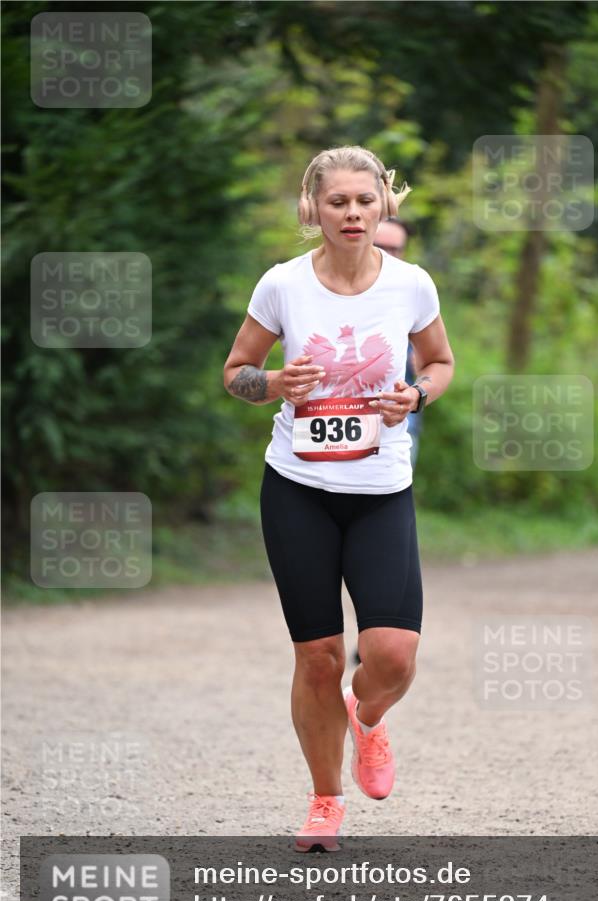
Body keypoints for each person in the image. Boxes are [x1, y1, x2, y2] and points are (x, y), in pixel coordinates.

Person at [223, 145, 454, 852]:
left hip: (381, 488)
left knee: (391, 655)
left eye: (363, 200)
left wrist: (415, 393)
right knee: (318, 654)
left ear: (384, 203)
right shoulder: (282, 286)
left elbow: (440, 363)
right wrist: (270, 387)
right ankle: (325, 801)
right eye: (336, 202)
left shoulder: (411, 284)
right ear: (312, 208)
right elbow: (236, 370)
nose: (351, 213)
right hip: (297, 487)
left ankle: (369, 717)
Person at [373, 218, 424, 467]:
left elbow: (437, 363)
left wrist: (420, 387)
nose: (387, 256)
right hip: (332, 424)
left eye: (395, 249)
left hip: (400, 430)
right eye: (379, 246)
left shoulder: (415, 293)